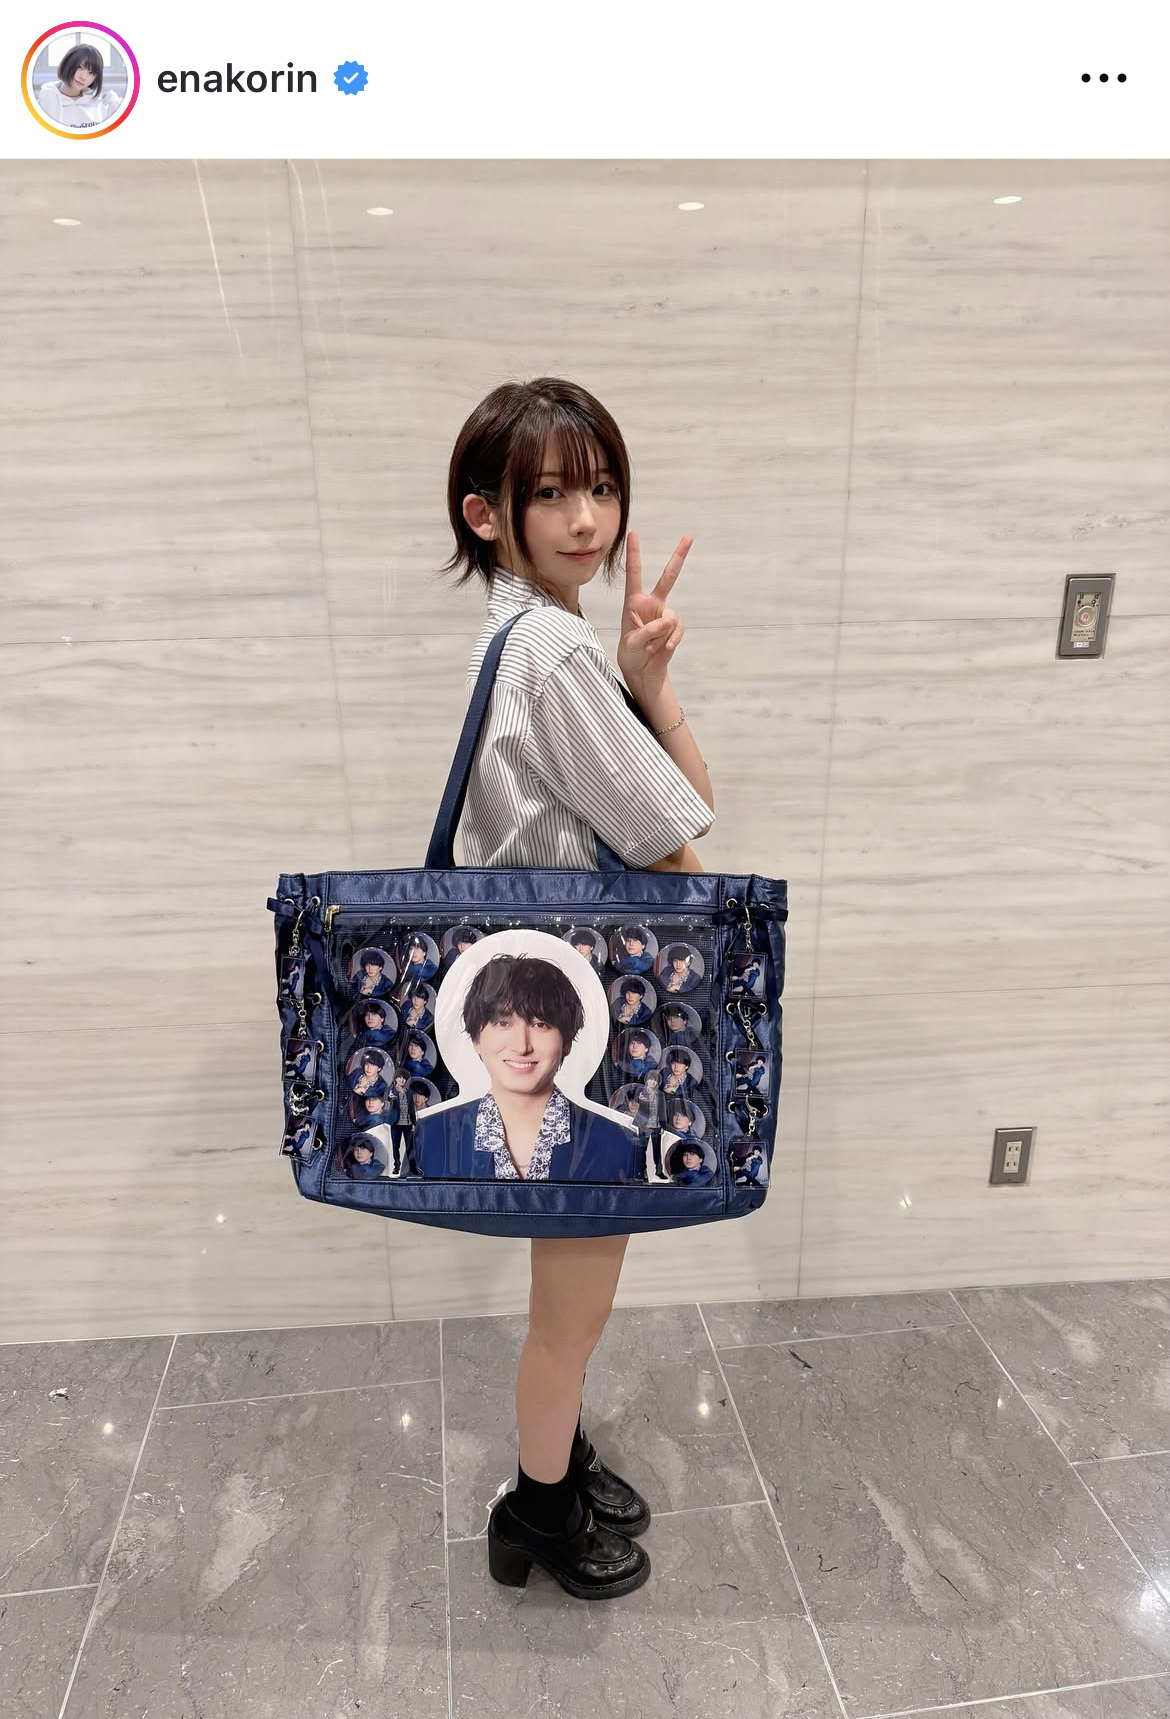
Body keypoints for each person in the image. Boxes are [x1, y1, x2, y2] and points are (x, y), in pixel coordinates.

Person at [438, 377, 715, 1601]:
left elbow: (679, 810)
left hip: (549, 1014)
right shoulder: (550, 649)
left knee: (575, 1289)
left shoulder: (531, 638)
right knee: (573, 1306)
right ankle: (536, 1512)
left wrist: (644, 678)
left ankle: (563, 1460)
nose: (588, 518)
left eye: (600, 486)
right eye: (550, 493)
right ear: (485, 513)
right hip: (575, 1028)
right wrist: (712, 932)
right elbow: (679, 843)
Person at [413, 954, 643, 1183]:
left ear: (567, 1042)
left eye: (539, 1024)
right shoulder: (428, 1139)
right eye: (503, 1023)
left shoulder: (620, 1146)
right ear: (476, 1039)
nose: (522, 1046)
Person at [35, 43, 123, 130]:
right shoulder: (47, 100)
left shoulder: (98, 102)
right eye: (80, 67)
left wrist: (112, 101)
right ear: (67, 64)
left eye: (91, 73)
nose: (83, 77)